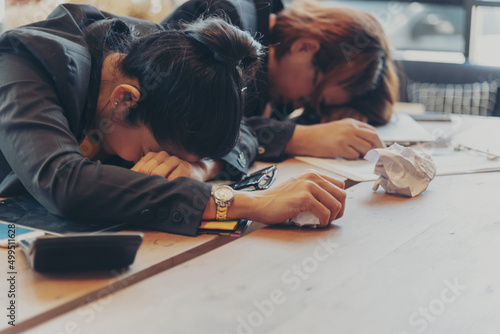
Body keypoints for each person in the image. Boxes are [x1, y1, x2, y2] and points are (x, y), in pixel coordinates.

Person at [0, 4, 346, 236]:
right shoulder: (24, 66)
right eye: (153, 149)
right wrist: (249, 203)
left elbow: (241, 131)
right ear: (123, 101)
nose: (158, 163)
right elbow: (65, 182)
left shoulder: (170, 54)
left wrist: (199, 169)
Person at [163, 0, 399, 161]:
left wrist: (333, 115)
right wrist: (299, 138)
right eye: (311, 95)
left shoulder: (278, 77)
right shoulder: (224, 23)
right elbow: (197, 128)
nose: (299, 105)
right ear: (304, 47)